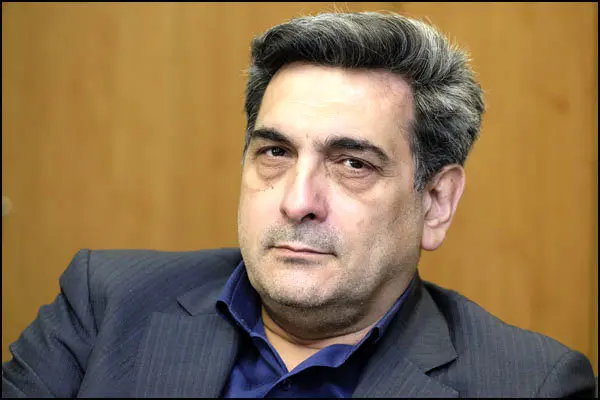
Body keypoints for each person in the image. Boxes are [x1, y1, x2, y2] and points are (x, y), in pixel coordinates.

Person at [2, 11, 596, 398]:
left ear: (436, 202)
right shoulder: (105, 303)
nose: (297, 201)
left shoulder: (529, 384)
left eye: (352, 163)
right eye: (275, 152)